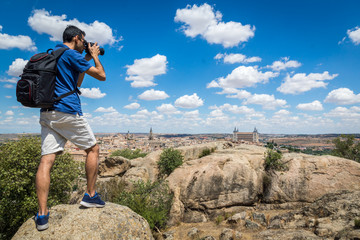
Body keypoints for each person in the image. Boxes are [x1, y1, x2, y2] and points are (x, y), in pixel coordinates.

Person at [34, 25, 106, 231]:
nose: (85, 44)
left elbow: (77, 83)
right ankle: (90, 195)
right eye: (83, 40)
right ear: (76, 38)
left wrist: (86, 58)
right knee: (93, 149)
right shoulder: (70, 54)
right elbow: (102, 76)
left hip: (47, 113)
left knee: (46, 160)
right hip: (66, 111)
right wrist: (95, 56)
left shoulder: (54, 54)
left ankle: (42, 215)